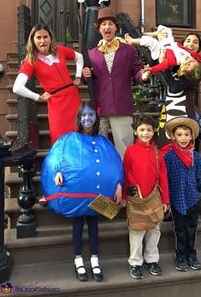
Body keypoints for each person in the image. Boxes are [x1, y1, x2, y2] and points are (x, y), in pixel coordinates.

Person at [41, 102, 123, 282]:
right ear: (79, 118)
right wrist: (57, 172)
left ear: (96, 119)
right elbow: (55, 156)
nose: (88, 119)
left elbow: (116, 163)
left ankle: (95, 259)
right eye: (84, 115)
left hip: (97, 197)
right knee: (77, 226)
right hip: (76, 197)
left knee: (93, 226)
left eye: (91, 115)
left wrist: (119, 184)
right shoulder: (68, 139)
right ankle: (78, 260)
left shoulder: (104, 142)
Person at [82, 7, 150, 158]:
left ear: (116, 27)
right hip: (100, 105)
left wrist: (143, 75)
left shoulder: (128, 50)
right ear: (98, 29)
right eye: (103, 24)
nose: (107, 27)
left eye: (110, 23)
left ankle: (126, 180)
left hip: (121, 105)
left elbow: (137, 70)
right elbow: (89, 79)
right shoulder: (91, 54)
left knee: (124, 148)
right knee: (99, 148)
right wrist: (85, 76)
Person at [13, 24, 83, 145]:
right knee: (60, 138)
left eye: (45, 37)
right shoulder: (31, 61)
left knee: (79, 135)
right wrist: (38, 97)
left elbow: (79, 57)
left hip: (73, 98)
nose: (42, 40)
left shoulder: (60, 50)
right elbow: (17, 87)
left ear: (50, 39)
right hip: (56, 103)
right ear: (33, 41)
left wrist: (77, 77)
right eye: (38, 37)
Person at [122, 114, 169, 279]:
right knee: (136, 231)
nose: (145, 133)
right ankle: (135, 262)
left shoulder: (158, 153)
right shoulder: (130, 151)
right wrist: (128, 193)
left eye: (148, 130)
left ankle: (151, 259)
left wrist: (165, 200)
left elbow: (163, 177)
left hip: (155, 198)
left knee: (154, 230)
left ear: (153, 131)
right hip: (136, 199)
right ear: (135, 131)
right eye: (141, 130)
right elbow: (126, 172)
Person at [163, 117, 201, 272]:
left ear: (191, 136)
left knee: (191, 228)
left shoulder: (196, 157)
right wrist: (165, 199)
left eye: (186, 134)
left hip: (192, 198)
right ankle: (180, 255)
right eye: (179, 134)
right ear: (173, 136)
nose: (183, 138)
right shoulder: (169, 156)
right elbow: (165, 178)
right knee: (180, 229)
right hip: (177, 198)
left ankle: (192, 254)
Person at [155, 32, 201, 148]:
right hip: (169, 107)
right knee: (164, 143)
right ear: (182, 44)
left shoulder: (197, 67)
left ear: (199, 48)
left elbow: (174, 87)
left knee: (180, 146)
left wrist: (165, 66)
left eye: (195, 42)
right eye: (188, 40)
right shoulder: (176, 62)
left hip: (182, 110)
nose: (191, 44)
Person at [125, 26, 201, 82]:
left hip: (160, 50)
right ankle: (156, 34)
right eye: (192, 61)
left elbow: (163, 65)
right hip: (169, 44)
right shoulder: (191, 54)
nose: (189, 61)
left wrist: (151, 69)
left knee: (151, 41)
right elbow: (198, 57)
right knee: (167, 30)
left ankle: (132, 41)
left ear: (183, 67)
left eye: (187, 64)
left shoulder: (174, 61)